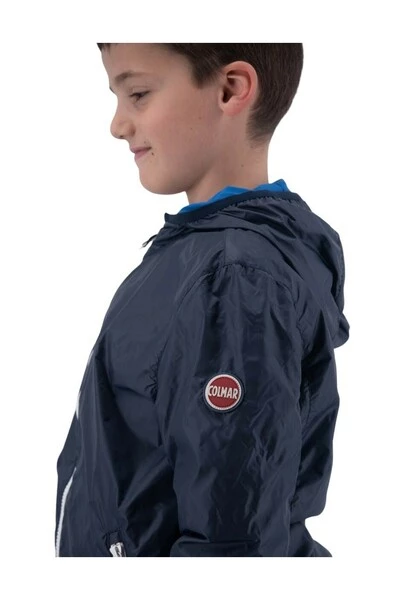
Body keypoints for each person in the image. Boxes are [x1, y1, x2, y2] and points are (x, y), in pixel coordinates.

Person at [55, 43, 350, 557]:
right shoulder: (206, 255)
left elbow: (232, 545)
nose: (118, 124)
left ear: (230, 90)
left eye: (138, 94)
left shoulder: (233, 279)